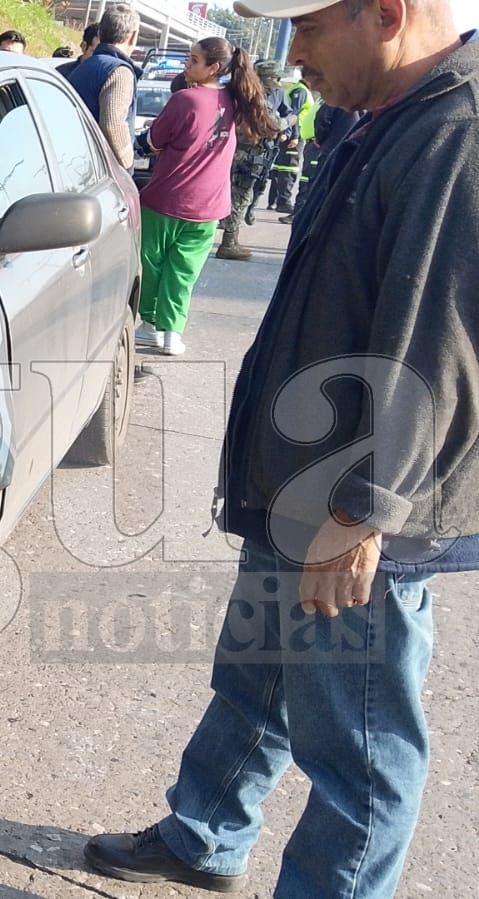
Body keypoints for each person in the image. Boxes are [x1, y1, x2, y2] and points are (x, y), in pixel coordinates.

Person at [85, 2, 477, 897]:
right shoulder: (385, 115)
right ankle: (204, 834)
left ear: (387, 15)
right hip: (301, 480)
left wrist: (363, 511)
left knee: (357, 748)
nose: (290, 56)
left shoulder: (455, 133)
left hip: (355, 504)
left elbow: (435, 345)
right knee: (255, 680)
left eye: (307, 28)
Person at [133, 37, 274, 357]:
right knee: (184, 271)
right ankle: (172, 332)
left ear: (214, 67)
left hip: (167, 198)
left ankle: (150, 325)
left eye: (194, 60)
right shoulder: (234, 101)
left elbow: (153, 141)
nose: (187, 64)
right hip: (209, 206)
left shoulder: (185, 100)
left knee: (152, 264)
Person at [215, 60, 285, 260]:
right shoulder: (256, 99)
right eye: (275, 79)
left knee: (236, 196)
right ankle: (228, 244)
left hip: (239, 152)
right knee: (241, 197)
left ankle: (231, 240)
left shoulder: (244, 94)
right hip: (247, 154)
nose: (277, 84)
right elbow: (272, 125)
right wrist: (290, 120)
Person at [64, 4, 141, 167]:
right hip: (99, 168)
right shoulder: (119, 72)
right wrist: (127, 164)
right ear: (133, 37)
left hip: (77, 161)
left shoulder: (85, 65)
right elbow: (112, 125)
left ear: (100, 33)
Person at [280, 98, 360, 222]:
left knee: (314, 183)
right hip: (343, 149)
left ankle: (303, 216)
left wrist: (319, 139)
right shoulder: (359, 100)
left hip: (326, 147)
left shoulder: (336, 96)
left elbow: (323, 119)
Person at [267, 74, 313, 210]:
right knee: (289, 168)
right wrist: (294, 135)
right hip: (294, 135)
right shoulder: (301, 91)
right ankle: (283, 202)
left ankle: (274, 201)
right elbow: (294, 114)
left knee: (280, 167)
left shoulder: (299, 89)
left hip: (289, 133)